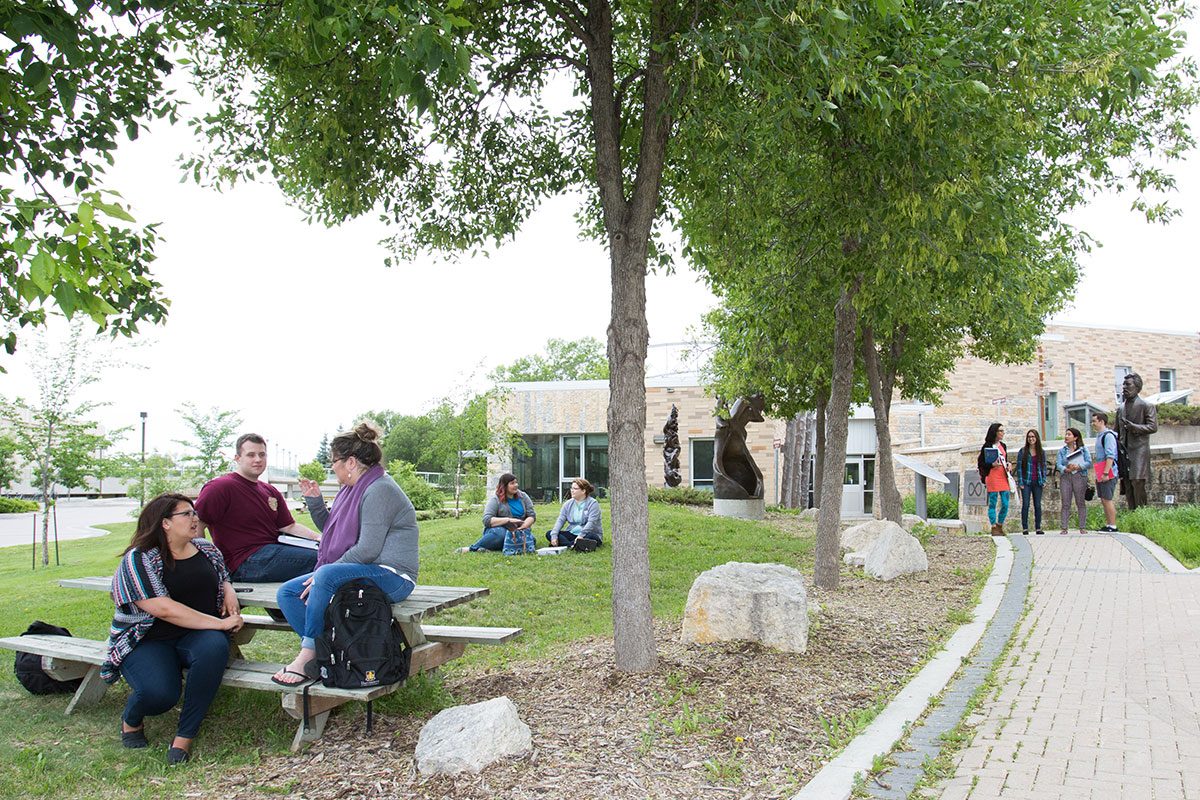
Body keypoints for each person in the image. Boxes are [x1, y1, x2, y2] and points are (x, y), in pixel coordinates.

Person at [272, 423, 419, 685]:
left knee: (325, 574)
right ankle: (330, 653)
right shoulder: (351, 490)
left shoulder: (379, 489)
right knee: (287, 593)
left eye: (334, 462)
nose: (333, 468)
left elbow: (368, 549)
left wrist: (326, 576)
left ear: (350, 462)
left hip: (393, 576)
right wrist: (315, 502)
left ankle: (308, 654)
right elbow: (333, 530)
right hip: (363, 573)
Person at [102, 493, 244, 765]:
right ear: (165, 523)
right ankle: (131, 718)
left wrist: (227, 588)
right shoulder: (138, 559)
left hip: (197, 634)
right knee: (160, 696)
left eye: (195, 513)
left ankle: (185, 736)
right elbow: (164, 608)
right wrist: (221, 623)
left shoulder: (206, 549)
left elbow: (221, 571)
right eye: (187, 514)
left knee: (215, 647)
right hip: (148, 639)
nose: (195, 518)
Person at [195, 433, 321, 582]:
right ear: (237, 458)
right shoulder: (220, 487)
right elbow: (197, 525)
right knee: (322, 559)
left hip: (273, 550)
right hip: (243, 561)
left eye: (262, 454)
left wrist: (319, 538)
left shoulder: (270, 490)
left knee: (328, 552)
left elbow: (289, 526)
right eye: (251, 455)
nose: (258, 460)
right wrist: (206, 566)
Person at [457, 473, 536, 553]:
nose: (516, 485)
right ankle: (472, 548)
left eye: (516, 482)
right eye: (512, 483)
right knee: (502, 535)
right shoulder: (495, 499)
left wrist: (523, 526)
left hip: (518, 529)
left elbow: (531, 515)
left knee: (532, 540)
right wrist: (508, 520)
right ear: (504, 486)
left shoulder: (523, 496)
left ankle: (492, 547)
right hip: (498, 530)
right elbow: (487, 520)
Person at [1116, 372, 1158, 510]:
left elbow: (1153, 426)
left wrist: (1134, 427)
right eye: (1123, 384)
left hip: (1139, 448)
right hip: (1124, 449)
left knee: (1137, 480)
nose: (1124, 387)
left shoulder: (1146, 406)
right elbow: (1116, 430)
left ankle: (1142, 511)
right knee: (1127, 482)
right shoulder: (1120, 408)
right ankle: (1132, 511)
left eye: (1128, 384)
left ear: (1137, 387)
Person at [547, 477, 604, 551]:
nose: (572, 491)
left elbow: (591, 522)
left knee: (590, 536)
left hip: (588, 534)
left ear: (583, 491)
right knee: (550, 533)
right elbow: (560, 520)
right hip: (573, 533)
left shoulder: (593, 503)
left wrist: (581, 535)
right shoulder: (568, 504)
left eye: (575, 489)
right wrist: (554, 535)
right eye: (571, 488)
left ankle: (569, 544)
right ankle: (573, 545)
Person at [977, 423, 1014, 536]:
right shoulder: (987, 446)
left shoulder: (1003, 445)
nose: (1002, 433)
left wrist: (1009, 464)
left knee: (1005, 503)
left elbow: (1005, 459)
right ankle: (993, 526)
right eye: (1000, 431)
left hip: (1003, 476)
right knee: (993, 502)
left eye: (1003, 431)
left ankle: (1000, 524)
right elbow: (981, 463)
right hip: (992, 476)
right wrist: (991, 465)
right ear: (995, 432)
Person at [1056, 427, 1092, 535]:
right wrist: (1065, 468)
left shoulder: (1083, 449)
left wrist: (1079, 466)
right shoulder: (1062, 451)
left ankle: (1082, 527)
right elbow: (1058, 464)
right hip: (1066, 476)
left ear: (1075, 437)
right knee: (1065, 502)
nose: (1066, 436)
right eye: (1066, 434)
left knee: (1080, 502)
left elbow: (1089, 462)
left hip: (1080, 476)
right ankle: (1064, 527)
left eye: (1069, 434)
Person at [1015, 429, 1047, 535]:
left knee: (1037, 505)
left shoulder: (1041, 452)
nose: (1031, 439)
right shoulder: (1023, 451)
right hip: (1026, 481)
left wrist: (1044, 479)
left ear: (1036, 438)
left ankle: (1038, 527)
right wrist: (1020, 482)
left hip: (1038, 482)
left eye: (1033, 437)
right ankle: (1025, 528)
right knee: (1026, 504)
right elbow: (1019, 467)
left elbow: (1044, 467)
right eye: (1029, 437)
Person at [1092, 412, 1120, 532]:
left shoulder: (1108, 436)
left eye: (1094, 421)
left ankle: (1113, 525)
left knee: (1107, 498)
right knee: (1103, 498)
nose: (1092, 424)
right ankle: (1109, 524)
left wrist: (1105, 473)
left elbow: (1110, 456)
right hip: (1101, 470)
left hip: (1108, 472)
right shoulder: (1100, 436)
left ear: (1102, 421)